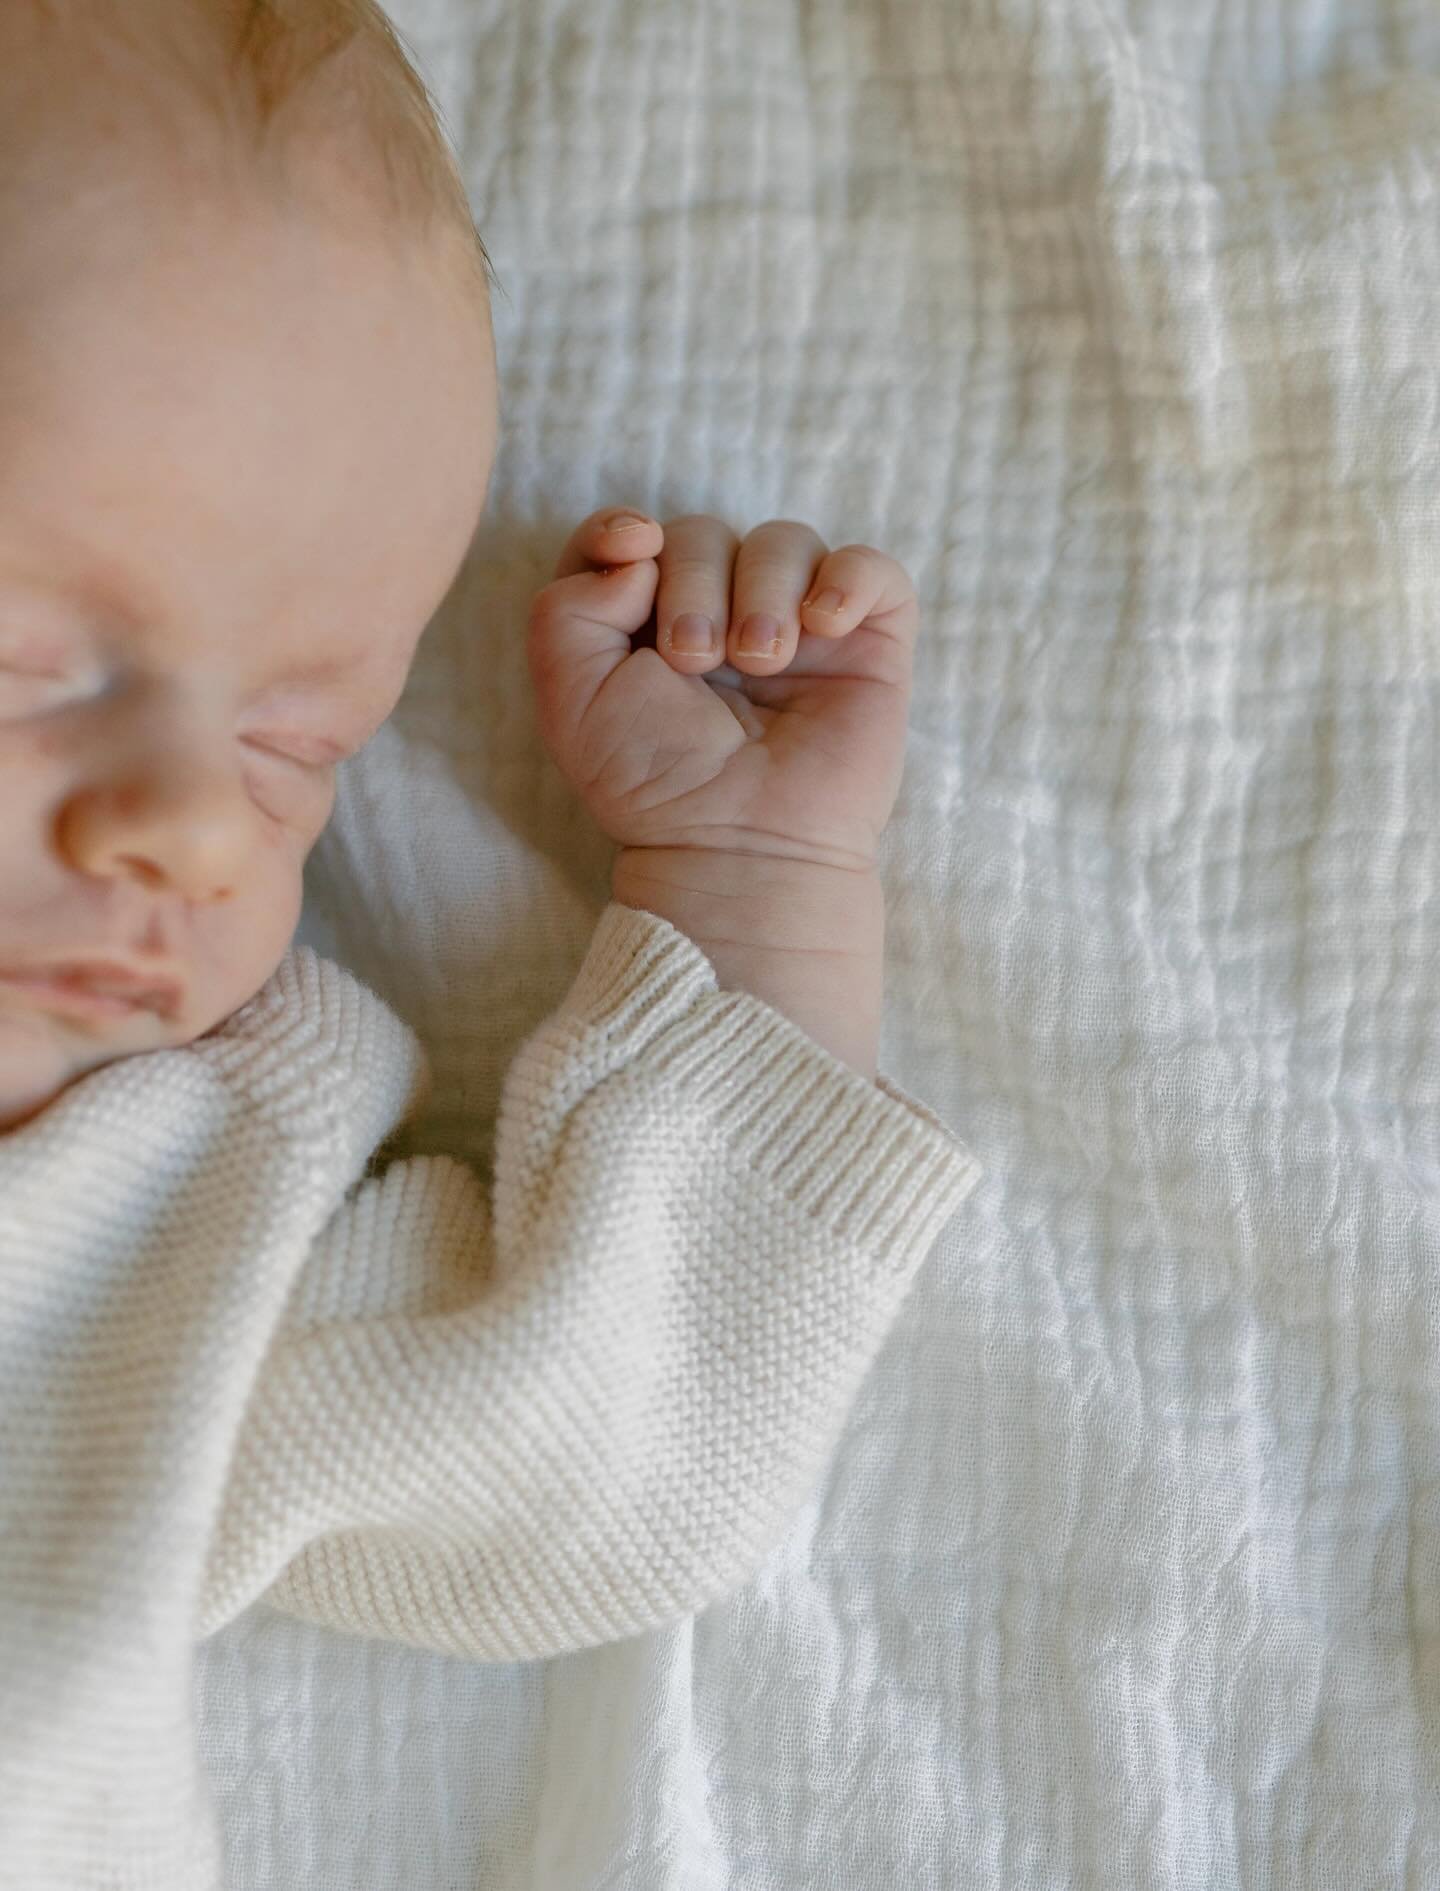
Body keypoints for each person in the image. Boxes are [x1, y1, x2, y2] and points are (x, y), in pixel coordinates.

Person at [0, 3, 980, 1884]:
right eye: (30, 665)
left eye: (294, 754)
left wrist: (750, 877)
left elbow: (599, 1453)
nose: (196, 826)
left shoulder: (153, 1238)